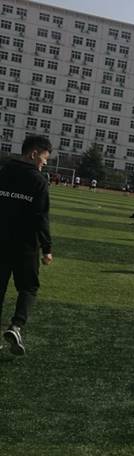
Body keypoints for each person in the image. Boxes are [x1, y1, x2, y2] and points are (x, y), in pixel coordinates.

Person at [0, 135, 54, 356]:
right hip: (25, 245)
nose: (45, 163)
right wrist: (47, 248)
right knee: (29, 287)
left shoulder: (3, 172)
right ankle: (16, 326)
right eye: (44, 158)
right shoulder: (38, 181)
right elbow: (41, 217)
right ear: (33, 154)